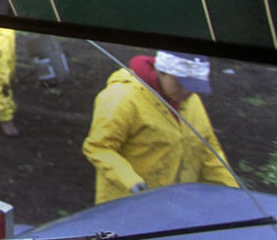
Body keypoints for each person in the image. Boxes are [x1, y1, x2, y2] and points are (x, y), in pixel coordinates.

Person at [82, 50, 238, 204]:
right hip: (129, 205)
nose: (187, 91)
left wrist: (234, 193)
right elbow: (99, 147)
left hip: (177, 204)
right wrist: (132, 183)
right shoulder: (121, 98)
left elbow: (209, 151)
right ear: (162, 71)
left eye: (194, 85)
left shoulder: (191, 100)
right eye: (181, 84)